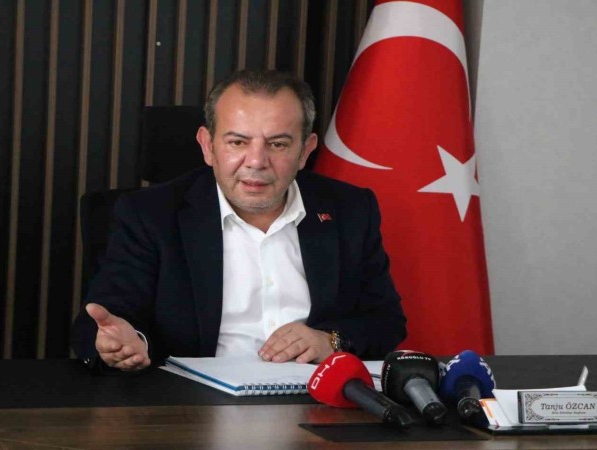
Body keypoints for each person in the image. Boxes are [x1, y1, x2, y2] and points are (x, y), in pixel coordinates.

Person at [71, 69, 406, 372]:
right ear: (208, 146)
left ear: (305, 150)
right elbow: (104, 321)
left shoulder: (349, 210)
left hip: (316, 401)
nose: (256, 161)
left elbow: (386, 321)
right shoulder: (150, 215)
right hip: (193, 407)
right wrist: (123, 343)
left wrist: (329, 341)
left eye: (277, 144)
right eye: (237, 142)